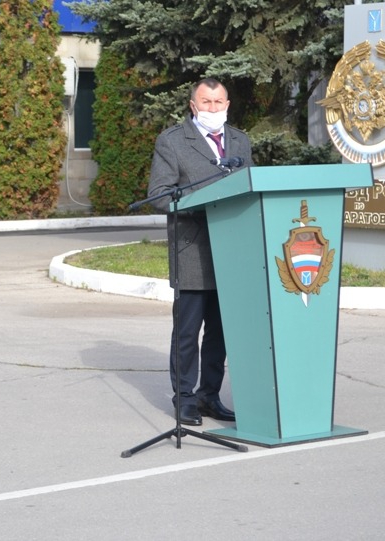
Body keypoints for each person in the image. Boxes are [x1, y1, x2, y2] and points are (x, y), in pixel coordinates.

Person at [147, 78, 253, 426]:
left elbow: (249, 187)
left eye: (219, 102)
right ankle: (185, 398)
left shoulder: (240, 140)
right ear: (193, 106)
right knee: (188, 332)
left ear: (228, 104)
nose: (213, 109)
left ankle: (210, 395)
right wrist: (205, 205)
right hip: (192, 250)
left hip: (231, 251)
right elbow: (160, 194)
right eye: (206, 103)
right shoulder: (173, 141)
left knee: (221, 333)